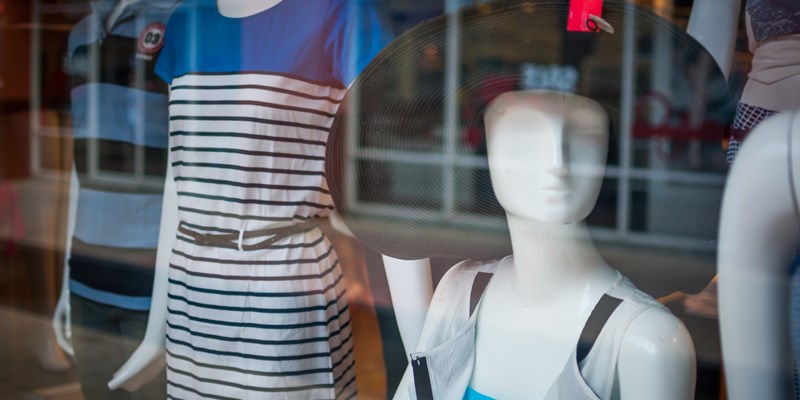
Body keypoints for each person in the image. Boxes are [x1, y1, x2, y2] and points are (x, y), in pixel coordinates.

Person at [106, 0, 393, 398]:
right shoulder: (187, 20)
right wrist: (156, 335)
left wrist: (422, 349)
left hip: (282, 284)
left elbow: (380, 176)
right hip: (193, 288)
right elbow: (181, 182)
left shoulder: (337, 12)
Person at [392, 90, 695, 400]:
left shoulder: (646, 342)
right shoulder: (460, 291)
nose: (557, 162)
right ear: (487, 145)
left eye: (583, 133)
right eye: (525, 132)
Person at [52, 0, 177, 398]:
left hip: (152, 280)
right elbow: (80, 161)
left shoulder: (182, 21)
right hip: (84, 275)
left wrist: (164, 315)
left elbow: (185, 168)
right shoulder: (80, 35)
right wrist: (63, 283)